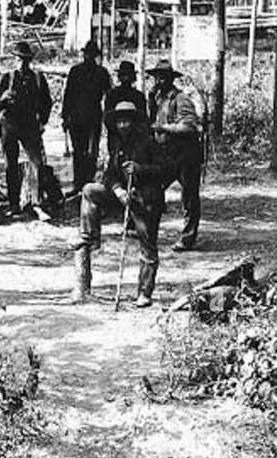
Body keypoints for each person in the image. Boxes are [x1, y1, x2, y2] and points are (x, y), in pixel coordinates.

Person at [73, 99, 164, 307]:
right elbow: (108, 175)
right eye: (119, 122)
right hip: (123, 197)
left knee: (148, 248)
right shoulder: (118, 145)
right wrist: (118, 190)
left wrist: (140, 169)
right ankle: (90, 236)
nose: (122, 126)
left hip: (146, 201)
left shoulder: (151, 142)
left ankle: (144, 292)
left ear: (135, 122)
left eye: (127, 122)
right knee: (89, 190)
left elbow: (166, 170)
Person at [0, 40, 55, 219]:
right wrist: (4, 99)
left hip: (30, 125)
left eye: (25, 60)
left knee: (37, 163)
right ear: (14, 60)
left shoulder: (37, 78)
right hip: (9, 124)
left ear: (30, 60)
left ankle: (37, 203)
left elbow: (47, 102)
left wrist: (43, 122)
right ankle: (13, 204)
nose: (22, 63)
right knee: (10, 164)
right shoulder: (8, 78)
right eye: (19, 59)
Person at [146, 58, 204, 252]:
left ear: (171, 79)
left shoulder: (181, 99)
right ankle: (148, 230)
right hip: (167, 154)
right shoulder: (157, 98)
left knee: (189, 195)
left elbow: (189, 126)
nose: (159, 81)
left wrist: (164, 128)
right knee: (154, 187)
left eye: (163, 78)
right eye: (157, 77)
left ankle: (188, 237)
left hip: (186, 153)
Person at [61, 40, 111, 192]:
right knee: (78, 152)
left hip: (94, 118)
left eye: (92, 54)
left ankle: (88, 185)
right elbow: (68, 95)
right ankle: (78, 185)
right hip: (76, 118)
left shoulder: (102, 73)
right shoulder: (75, 71)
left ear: (95, 56)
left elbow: (108, 95)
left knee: (91, 153)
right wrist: (65, 117)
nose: (88, 57)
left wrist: (109, 117)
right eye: (86, 54)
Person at [104, 60, 149, 159]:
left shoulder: (138, 96)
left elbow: (143, 119)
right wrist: (119, 130)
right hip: (116, 136)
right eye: (123, 75)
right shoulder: (112, 95)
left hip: (136, 137)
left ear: (133, 78)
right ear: (119, 77)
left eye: (128, 75)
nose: (126, 78)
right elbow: (107, 119)